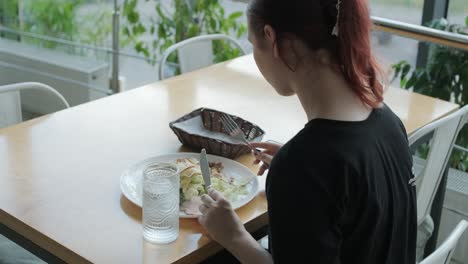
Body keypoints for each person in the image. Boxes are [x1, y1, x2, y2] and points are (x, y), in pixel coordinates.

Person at [197, 0, 417, 263]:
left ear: (272, 39)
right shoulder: (387, 121)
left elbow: (321, 173)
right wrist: (296, 172)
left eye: (253, 44)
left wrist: (234, 236)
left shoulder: (304, 166)